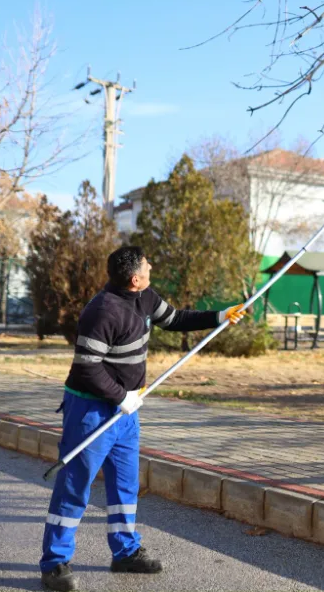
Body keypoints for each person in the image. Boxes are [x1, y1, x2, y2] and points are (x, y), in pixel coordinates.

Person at [39, 246, 247, 592]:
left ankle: (126, 551)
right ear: (135, 279)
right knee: (75, 484)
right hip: (90, 410)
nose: (151, 266)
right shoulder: (102, 312)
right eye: (147, 265)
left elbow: (176, 319)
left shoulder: (145, 297)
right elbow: (86, 369)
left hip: (127, 410)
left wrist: (220, 316)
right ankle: (55, 562)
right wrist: (121, 397)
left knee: (124, 483)